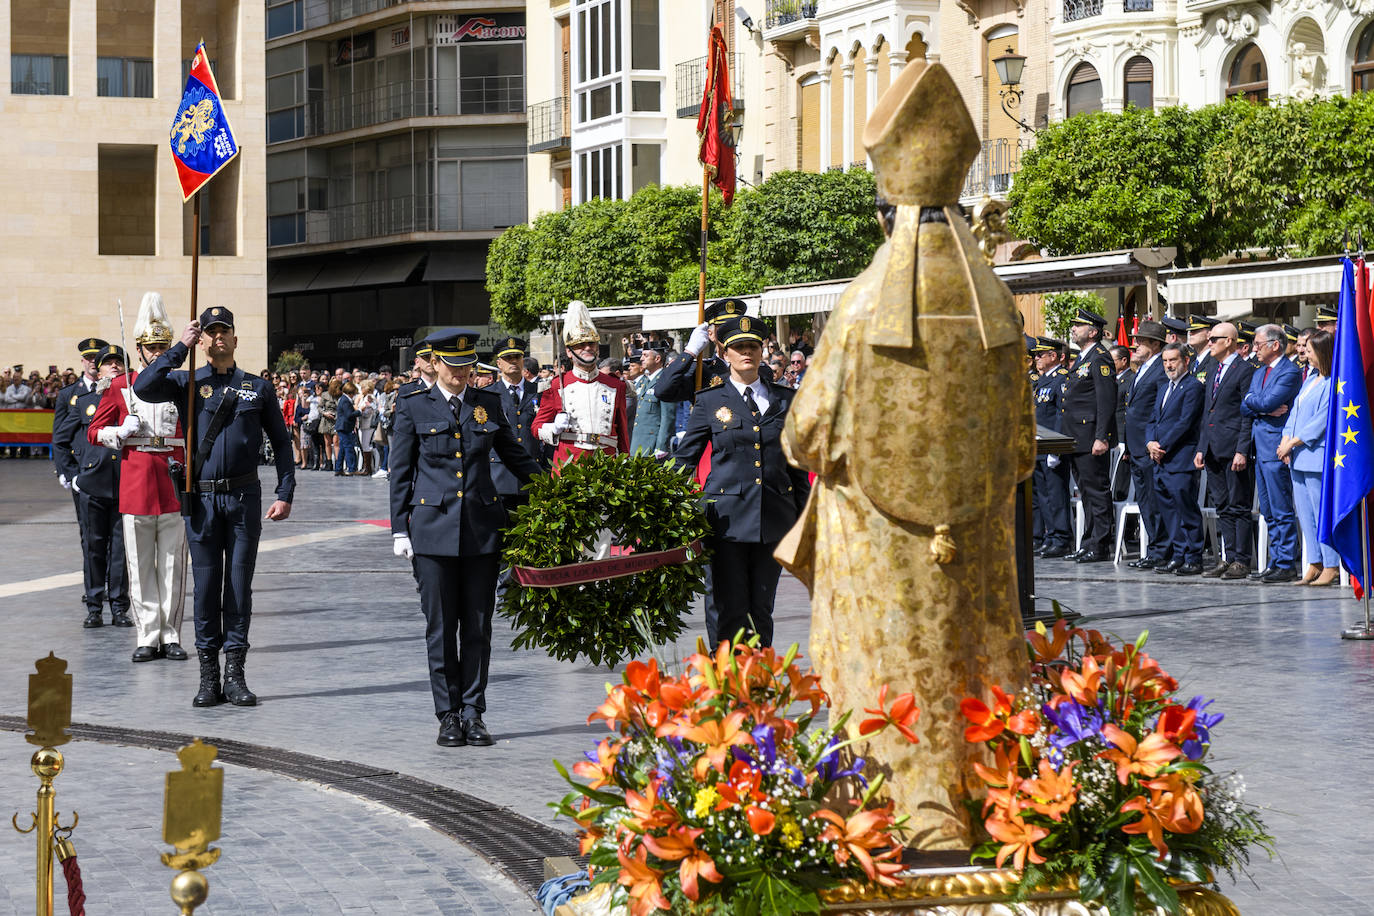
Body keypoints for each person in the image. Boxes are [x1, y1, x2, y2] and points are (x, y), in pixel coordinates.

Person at [388, 328, 544, 747]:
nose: (460, 375)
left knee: (477, 627)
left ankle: (474, 711)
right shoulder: (412, 406)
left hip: (481, 530)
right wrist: (400, 529)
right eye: (453, 367)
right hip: (432, 531)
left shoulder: (488, 403)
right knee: (440, 629)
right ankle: (448, 715)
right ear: (435, 363)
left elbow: (515, 456)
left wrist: (555, 489)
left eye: (467, 367)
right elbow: (400, 472)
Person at [133, 307, 296, 709]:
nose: (218, 337)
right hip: (202, 500)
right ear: (202, 340)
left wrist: (285, 492)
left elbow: (280, 442)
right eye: (210, 332)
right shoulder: (186, 382)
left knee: (239, 588)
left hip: (243, 499)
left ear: (236, 340)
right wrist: (178, 348)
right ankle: (208, 677)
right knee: (206, 589)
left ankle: (235, 675)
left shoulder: (257, 388)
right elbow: (143, 386)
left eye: (225, 331)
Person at [673, 315, 810, 647]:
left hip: (773, 520)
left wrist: (809, 518)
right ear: (724, 353)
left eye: (752, 346)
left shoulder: (785, 400)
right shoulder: (709, 400)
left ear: (762, 351)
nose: (746, 352)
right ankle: (726, 685)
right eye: (738, 347)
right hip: (726, 522)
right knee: (730, 609)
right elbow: (685, 459)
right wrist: (659, 501)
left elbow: (796, 466)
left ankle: (759, 687)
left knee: (761, 610)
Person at [88, 293, 188, 662]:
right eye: (151, 347)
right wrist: (120, 431)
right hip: (136, 479)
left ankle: (171, 632)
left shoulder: (180, 382)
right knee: (140, 562)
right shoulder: (120, 386)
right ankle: (147, 634)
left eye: (163, 346)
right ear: (140, 350)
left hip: (173, 478)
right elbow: (93, 432)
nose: (158, 353)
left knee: (173, 564)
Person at [67, 345, 132, 629]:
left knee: (120, 551)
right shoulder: (83, 400)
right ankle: (94, 606)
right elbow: (65, 437)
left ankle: (119, 607)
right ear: (99, 368)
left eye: (120, 363)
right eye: (109, 363)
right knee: (94, 548)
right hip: (93, 482)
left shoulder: (134, 400)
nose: (114, 367)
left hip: (125, 482)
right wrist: (72, 474)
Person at [532, 301, 630, 466]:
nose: (587, 348)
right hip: (570, 463)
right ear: (569, 352)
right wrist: (554, 428)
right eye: (580, 345)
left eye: (591, 343)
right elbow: (536, 427)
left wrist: (625, 464)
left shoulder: (615, 385)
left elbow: (623, 434)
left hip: (607, 464)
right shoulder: (557, 385)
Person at [1194, 322, 1256, 579]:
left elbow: (1246, 413)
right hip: (1212, 447)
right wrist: (1201, 447)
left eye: (1214, 339)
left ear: (1229, 341)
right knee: (1222, 505)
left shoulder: (1244, 370)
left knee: (1238, 504)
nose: (1209, 343)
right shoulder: (1212, 368)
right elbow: (1208, 409)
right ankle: (1228, 556)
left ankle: (1241, 559)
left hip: (1233, 447)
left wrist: (1242, 449)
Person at [1241, 324, 1302, 582]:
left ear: (1275, 345)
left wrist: (1260, 405)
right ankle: (1276, 560)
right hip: (1261, 445)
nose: (1254, 349)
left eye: (1258, 344)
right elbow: (1246, 404)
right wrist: (1262, 407)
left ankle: (1286, 561)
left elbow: (1264, 401)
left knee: (1280, 507)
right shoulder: (1260, 372)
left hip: (1277, 447)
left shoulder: (1289, 372)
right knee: (1267, 508)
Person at [1279, 328, 1339, 586]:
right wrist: (1285, 439)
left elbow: (1321, 420)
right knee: (1305, 513)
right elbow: (1295, 412)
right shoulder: (1310, 379)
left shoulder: (1331, 381)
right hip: (1298, 456)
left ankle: (1330, 563)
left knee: (1320, 511)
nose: (1305, 353)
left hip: (1316, 455)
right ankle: (1313, 561)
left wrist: (1293, 441)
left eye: (1310, 350)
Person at [1060, 308, 1117, 562]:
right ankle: (1089, 540)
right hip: (1077, 437)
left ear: (1092, 332)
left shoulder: (1100, 358)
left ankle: (1101, 544)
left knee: (1097, 491)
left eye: (1078, 325)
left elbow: (1106, 400)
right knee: (1085, 492)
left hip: (1090, 436)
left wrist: (1102, 436)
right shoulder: (1084, 358)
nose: (1073, 329)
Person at [53, 338, 107, 604]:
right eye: (88, 359)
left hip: (108, 473)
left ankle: (110, 583)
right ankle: (94, 586)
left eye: (98, 358)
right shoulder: (68, 395)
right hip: (83, 474)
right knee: (88, 533)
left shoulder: (113, 390)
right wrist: (67, 473)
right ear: (82, 362)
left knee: (114, 535)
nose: (93, 363)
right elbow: (60, 436)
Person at [1146, 344, 1206, 575]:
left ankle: (1194, 556)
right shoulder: (1163, 387)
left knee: (1185, 508)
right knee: (1169, 511)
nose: (1169, 365)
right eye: (1165, 361)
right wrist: (1150, 442)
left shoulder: (1193, 387)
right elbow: (1153, 419)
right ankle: (1178, 554)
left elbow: (1185, 422)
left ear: (1186, 361)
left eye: (1173, 360)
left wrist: (1162, 446)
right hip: (1160, 458)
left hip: (1179, 457)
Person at [1121, 321, 1168, 568]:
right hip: (1137, 446)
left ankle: (1161, 550)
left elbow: (1159, 409)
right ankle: (1154, 549)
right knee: (1146, 501)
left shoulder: (1161, 368)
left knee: (1155, 500)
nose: (1134, 345)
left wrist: (1153, 441)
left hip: (1151, 446)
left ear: (1155, 344)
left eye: (1140, 341)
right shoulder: (1142, 368)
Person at [1030, 337, 1072, 558]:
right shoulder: (1041, 380)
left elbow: (1060, 415)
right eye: (1035, 355)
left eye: (1040, 355)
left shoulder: (1060, 379)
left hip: (1052, 446)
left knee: (1056, 495)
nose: (1036, 358)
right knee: (1042, 496)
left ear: (1053, 356)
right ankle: (1049, 535)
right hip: (1038, 445)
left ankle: (1061, 538)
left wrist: (1056, 446)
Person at [629, 339, 674, 459]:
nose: (641, 359)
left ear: (657, 359)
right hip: (635, 442)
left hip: (651, 445)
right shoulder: (643, 381)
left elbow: (667, 417)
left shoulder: (665, 381)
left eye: (645, 355)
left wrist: (661, 445)